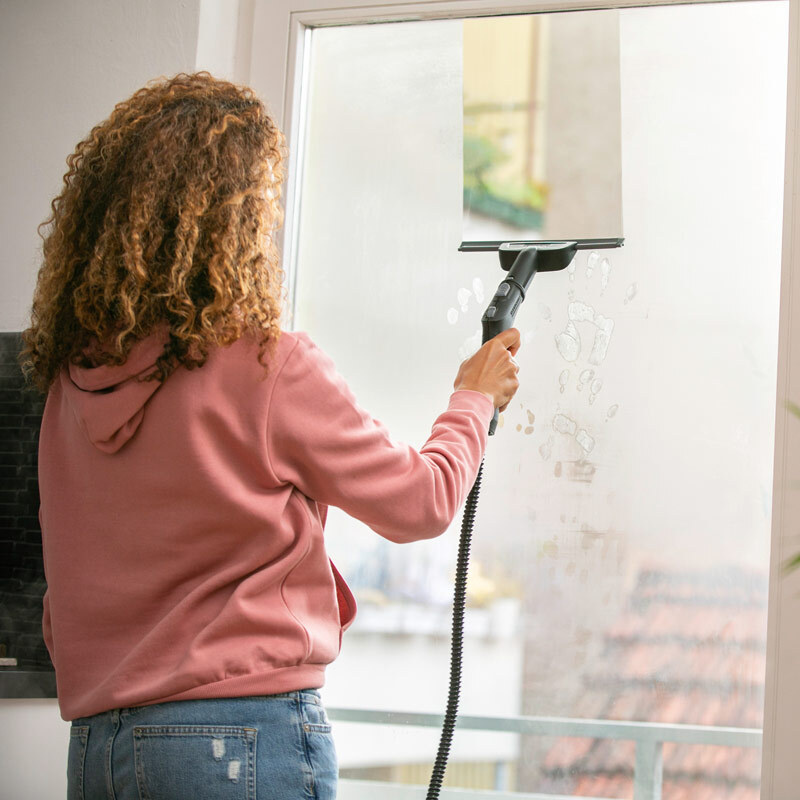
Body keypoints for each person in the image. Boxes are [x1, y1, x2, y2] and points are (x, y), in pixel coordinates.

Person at [21, 72, 520, 800]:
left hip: (98, 748)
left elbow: (62, 602)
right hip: (239, 740)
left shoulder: (70, 386)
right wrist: (473, 399)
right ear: (231, 219)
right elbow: (423, 501)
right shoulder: (265, 365)